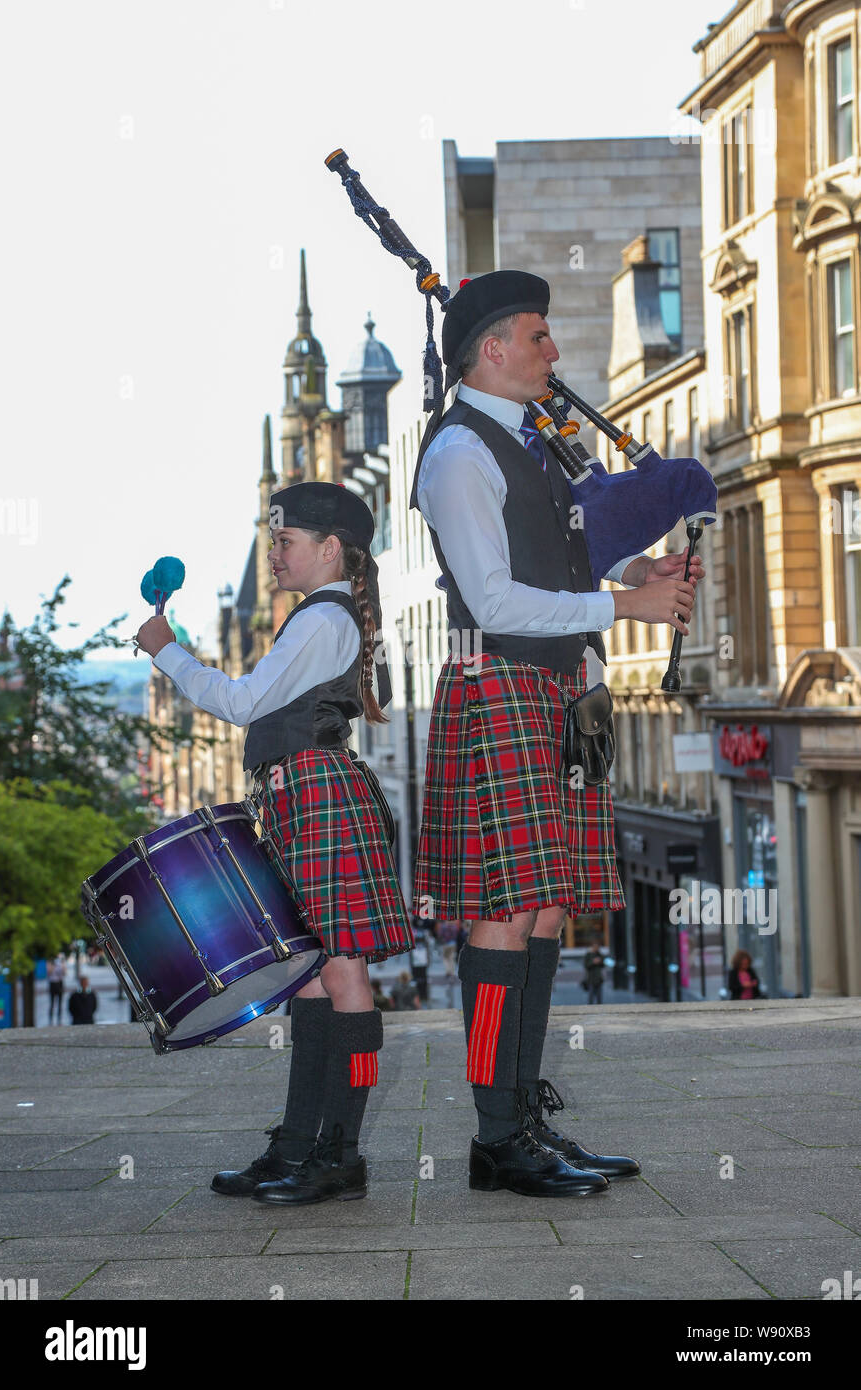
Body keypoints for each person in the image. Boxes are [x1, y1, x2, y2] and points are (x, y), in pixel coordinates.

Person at [409, 270, 703, 1197]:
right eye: (538, 335)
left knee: (543, 907)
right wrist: (626, 602)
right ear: (490, 348)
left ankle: (522, 1117)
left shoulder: (528, 445)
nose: (554, 353)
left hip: (567, 693)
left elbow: (556, 555)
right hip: (501, 687)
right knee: (502, 911)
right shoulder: (458, 452)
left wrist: (631, 565)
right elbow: (492, 594)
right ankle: (497, 1135)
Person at [136, 482, 414, 1206]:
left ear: (330, 549)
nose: (273, 557)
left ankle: (340, 1155)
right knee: (316, 978)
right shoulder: (318, 614)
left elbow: (240, 701)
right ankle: (300, 1145)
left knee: (343, 976)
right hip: (301, 798)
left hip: (319, 797)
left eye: (284, 542)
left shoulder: (322, 620)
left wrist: (170, 652)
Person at [47, 955, 66, 1024]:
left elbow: (64, 973)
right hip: (52, 983)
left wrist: (62, 964)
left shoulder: (61, 961)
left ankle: (59, 1019)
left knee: (60, 1003)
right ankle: (50, 1020)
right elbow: (49, 972)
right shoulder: (50, 961)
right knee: (52, 1003)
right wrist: (53, 965)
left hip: (59, 983)